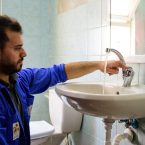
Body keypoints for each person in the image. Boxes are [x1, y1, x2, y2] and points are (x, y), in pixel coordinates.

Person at [0, 15, 126, 145]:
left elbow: (59, 72)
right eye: (17, 48)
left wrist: (99, 65)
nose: (24, 53)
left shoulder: (20, 80)